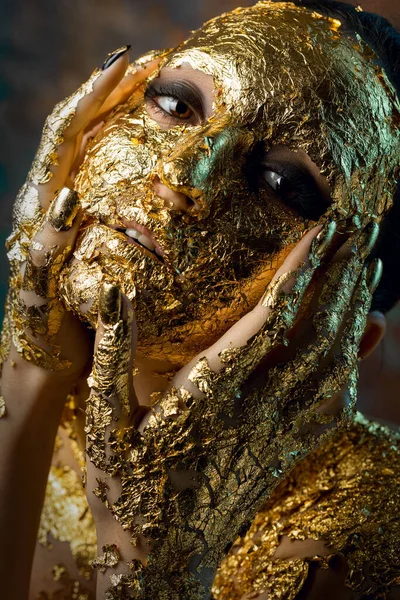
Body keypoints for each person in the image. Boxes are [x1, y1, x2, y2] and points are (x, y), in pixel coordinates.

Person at [0, 1, 399, 599]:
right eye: (176, 104)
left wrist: (154, 573)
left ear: (340, 332)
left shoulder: (372, 530)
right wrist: (30, 376)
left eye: (282, 184)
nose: (184, 171)